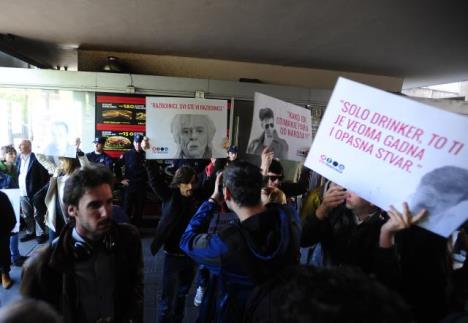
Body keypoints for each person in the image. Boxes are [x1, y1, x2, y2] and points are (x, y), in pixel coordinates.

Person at [180, 161, 301, 323]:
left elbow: (186, 240)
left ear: (227, 194)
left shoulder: (226, 244)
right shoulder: (289, 218)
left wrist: (212, 201)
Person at [21, 165, 144, 323]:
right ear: (72, 210)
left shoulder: (128, 239)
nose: (106, 212)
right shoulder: (41, 265)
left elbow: (136, 294)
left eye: (109, 202)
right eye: (94, 205)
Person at [146, 162, 207, 323]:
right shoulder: (169, 195)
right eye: (186, 182)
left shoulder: (197, 196)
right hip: (172, 255)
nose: (190, 186)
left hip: (191, 255)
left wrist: (221, 155)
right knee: (168, 298)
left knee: (182, 294)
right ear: (178, 183)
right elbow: (154, 179)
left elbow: (213, 178)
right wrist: (148, 155)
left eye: (193, 182)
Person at [409, 166, 468, 237]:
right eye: (429, 194)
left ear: (455, 205)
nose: (432, 204)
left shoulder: (450, 230)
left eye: (444, 201)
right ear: (418, 187)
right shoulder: (394, 205)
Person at [16, 139, 50, 244]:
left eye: (21, 145)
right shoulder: (18, 159)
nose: (19, 147)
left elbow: (45, 176)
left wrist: (40, 192)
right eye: (19, 145)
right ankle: (30, 232)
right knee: (27, 214)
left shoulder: (37, 158)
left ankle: (40, 234)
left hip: (35, 192)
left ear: (29, 146)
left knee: (38, 214)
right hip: (22, 192)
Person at [117, 133, 147, 227]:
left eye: (139, 142)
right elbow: (117, 166)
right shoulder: (127, 154)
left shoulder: (148, 155)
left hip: (141, 186)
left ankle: (137, 230)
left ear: (143, 143)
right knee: (126, 210)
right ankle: (126, 230)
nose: (138, 144)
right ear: (133, 143)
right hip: (129, 186)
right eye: (136, 142)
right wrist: (121, 179)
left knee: (139, 211)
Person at [0, 191, 16, 289]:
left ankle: (5, 273)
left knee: (3, 250)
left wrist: (4, 232)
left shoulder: (2, 196)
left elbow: (11, 219)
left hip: (1, 232)